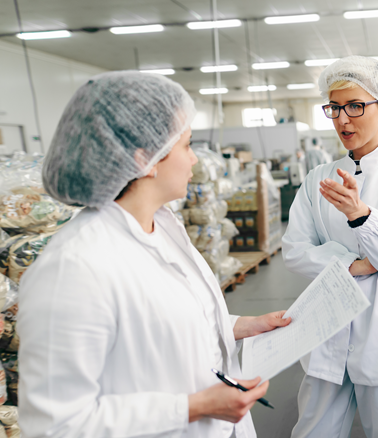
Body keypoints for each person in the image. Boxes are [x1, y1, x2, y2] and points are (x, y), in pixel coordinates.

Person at [17, 71, 290, 438]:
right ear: (146, 158)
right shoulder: (74, 267)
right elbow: (57, 425)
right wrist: (195, 407)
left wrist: (241, 326)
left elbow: (165, 325)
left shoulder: (162, 226)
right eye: (187, 145)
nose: (195, 160)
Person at [282, 56, 378, 438]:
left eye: (354, 106)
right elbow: (294, 251)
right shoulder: (318, 179)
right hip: (327, 332)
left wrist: (362, 215)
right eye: (334, 108)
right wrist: (357, 264)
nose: (342, 120)